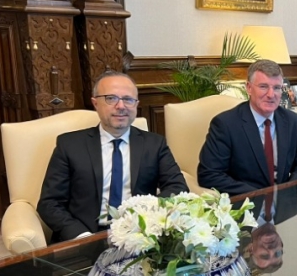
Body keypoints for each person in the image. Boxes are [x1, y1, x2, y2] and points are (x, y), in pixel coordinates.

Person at [37, 71, 188, 243]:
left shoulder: (154, 144)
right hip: (85, 237)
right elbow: (49, 203)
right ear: (95, 103)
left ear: (136, 104)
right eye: (111, 98)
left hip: (140, 237)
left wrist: (146, 219)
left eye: (128, 99)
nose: (121, 106)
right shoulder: (70, 145)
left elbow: (177, 187)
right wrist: (81, 236)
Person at [198, 60, 297, 195]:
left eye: (276, 88)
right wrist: (259, 196)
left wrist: (288, 190)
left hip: (285, 205)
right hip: (246, 205)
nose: (271, 94)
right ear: (249, 88)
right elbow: (209, 175)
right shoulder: (225, 124)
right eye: (263, 86)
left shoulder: (292, 121)